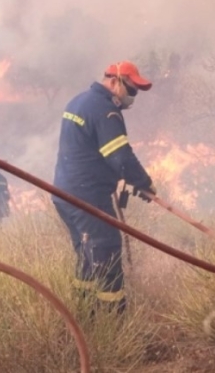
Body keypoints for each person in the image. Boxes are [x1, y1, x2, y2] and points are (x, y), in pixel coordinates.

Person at [52, 61, 156, 313]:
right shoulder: (106, 111)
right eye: (131, 90)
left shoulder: (78, 102)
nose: (133, 96)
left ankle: (84, 315)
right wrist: (144, 183)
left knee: (87, 254)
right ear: (114, 81)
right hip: (88, 197)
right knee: (107, 252)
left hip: (64, 194)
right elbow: (120, 157)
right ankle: (113, 321)